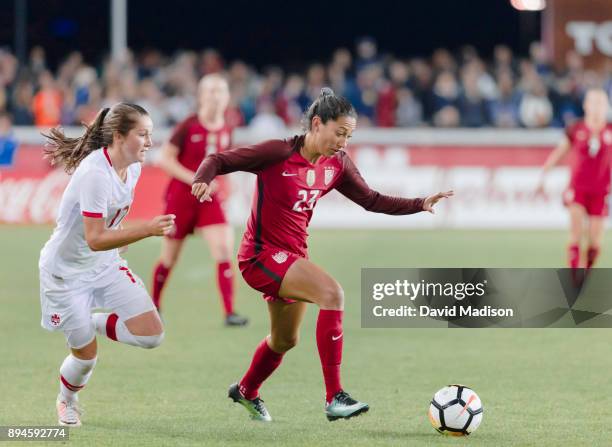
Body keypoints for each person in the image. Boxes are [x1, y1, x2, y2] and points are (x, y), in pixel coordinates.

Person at [192, 88, 453, 421]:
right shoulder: (277, 152)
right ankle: (335, 397)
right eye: (340, 133)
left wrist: (419, 204)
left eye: (349, 135)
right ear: (317, 124)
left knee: (285, 340)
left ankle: (245, 390)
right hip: (260, 256)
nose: (344, 141)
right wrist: (203, 178)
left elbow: (371, 200)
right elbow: (219, 159)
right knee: (333, 294)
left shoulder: (337, 164)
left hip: (292, 257)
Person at [39, 103, 176, 427]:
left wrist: (121, 237)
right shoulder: (94, 173)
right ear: (118, 136)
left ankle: (95, 322)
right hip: (65, 274)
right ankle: (67, 400)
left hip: (103, 265)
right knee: (86, 358)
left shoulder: (134, 168)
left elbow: (105, 233)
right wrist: (146, 230)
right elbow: (95, 238)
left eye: (150, 134)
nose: (149, 141)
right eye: (142, 134)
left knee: (151, 335)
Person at [151, 74, 248, 326]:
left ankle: (229, 312)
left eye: (220, 91)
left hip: (209, 198)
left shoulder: (227, 127)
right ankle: (154, 305)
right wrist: (196, 179)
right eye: (211, 91)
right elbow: (164, 159)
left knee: (224, 249)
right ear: (201, 96)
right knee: (169, 258)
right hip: (181, 197)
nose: (216, 96)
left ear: (227, 97)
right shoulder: (188, 125)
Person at [537, 88, 612, 270]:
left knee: (595, 243)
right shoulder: (576, 128)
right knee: (575, 235)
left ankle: (586, 272)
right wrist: (543, 175)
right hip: (577, 188)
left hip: (601, 191)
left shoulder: (610, 130)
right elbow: (559, 153)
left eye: (600, 102)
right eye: (593, 102)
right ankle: (573, 278)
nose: (596, 107)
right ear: (586, 105)